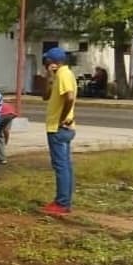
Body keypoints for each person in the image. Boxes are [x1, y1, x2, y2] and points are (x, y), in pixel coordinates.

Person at [41, 47, 77, 216]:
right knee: (65, 165)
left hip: (58, 127)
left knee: (61, 166)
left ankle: (62, 202)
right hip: (61, 127)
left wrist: (62, 117)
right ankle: (64, 200)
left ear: (52, 61)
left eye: (46, 61)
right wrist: (49, 77)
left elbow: (69, 97)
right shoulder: (59, 75)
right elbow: (45, 96)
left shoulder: (63, 75)